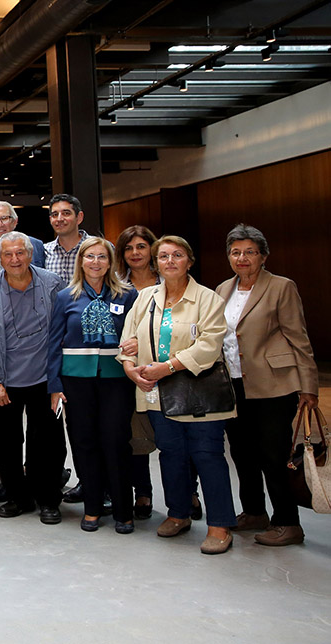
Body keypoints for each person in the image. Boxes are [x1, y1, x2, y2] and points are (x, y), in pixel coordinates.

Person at [118, 235, 235, 555]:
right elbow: (128, 338)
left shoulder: (208, 299)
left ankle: (220, 525)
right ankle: (178, 513)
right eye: (164, 256)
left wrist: (165, 368)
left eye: (177, 255)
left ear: (190, 261)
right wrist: (130, 367)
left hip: (199, 393)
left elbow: (209, 346)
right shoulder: (145, 298)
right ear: (156, 263)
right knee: (170, 454)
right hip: (156, 393)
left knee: (207, 455)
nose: (170, 261)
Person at [217, 224, 319, 547]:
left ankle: (288, 523)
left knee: (273, 454)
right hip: (234, 384)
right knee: (242, 453)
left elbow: (298, 338)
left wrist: (309, 387)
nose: (242, 258)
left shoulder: (280, 287)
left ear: (263, 255)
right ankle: (255, 512)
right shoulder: (222, 289)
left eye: (250, 252)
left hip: (274, 385)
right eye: (236, 252)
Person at [46, 237, 139, 534]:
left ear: (110, 262)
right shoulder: (65, 297)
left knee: (115, 441)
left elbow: (137, 336)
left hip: (116, 380)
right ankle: (93, 507)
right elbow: (52, 344)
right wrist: (54, 384)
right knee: (84, 443)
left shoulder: (127, 295)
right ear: (81, 261)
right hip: (76, 381)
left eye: (102, 257)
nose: (95, 262)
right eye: (90, 257)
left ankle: (124, 510)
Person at [0, 232, 67, 524]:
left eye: (20, 253)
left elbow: (63, 330)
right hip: (5, 381)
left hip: (45, 380)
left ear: (30, 254)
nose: (14, 260)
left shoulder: (52, 285)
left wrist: (59, 379)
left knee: (49, 443)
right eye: (7, 255)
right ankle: (18, 497)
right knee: (5, 444)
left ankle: (48, 499)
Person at [113, 224, 160, 518]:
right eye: (129, 248)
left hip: (172, 370)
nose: (135, 253)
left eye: (141, 246)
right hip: (132, 373)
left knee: (176, 436)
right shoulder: (118, 288)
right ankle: (142, 492)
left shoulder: (171, 280)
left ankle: (189, 494)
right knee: (137, 435)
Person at [44, 194, 90, 286]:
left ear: (79, 217)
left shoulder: (99, 248)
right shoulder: (44, 251)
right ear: (50, 219)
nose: (60, 219)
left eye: (66, 213)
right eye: (55, 215)